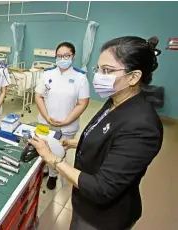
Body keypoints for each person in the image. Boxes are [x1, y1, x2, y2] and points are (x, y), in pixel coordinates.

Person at [29, 36, 163, 230]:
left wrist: (51, 158)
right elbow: (107, 137)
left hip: (103, 217)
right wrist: (76, 143)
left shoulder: (142, 127)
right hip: (84, 201)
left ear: (134, 77)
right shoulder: (115, 101)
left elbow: (102, 188)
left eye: (107, 70)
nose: (99, 76)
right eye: (98, 69)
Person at [35, 42, 90, 190]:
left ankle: (54, 175)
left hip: (68, 125)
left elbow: (82, 103)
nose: (62, 58)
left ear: (73, 56)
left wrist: (67, 120)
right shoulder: (47, 74)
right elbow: (38, 96)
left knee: (59, 151)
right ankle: (45, 168)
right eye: (59, 56)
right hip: (45, 122)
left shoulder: (80, 77)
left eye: (66, 55)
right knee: (43, 146)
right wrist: (46, 117)